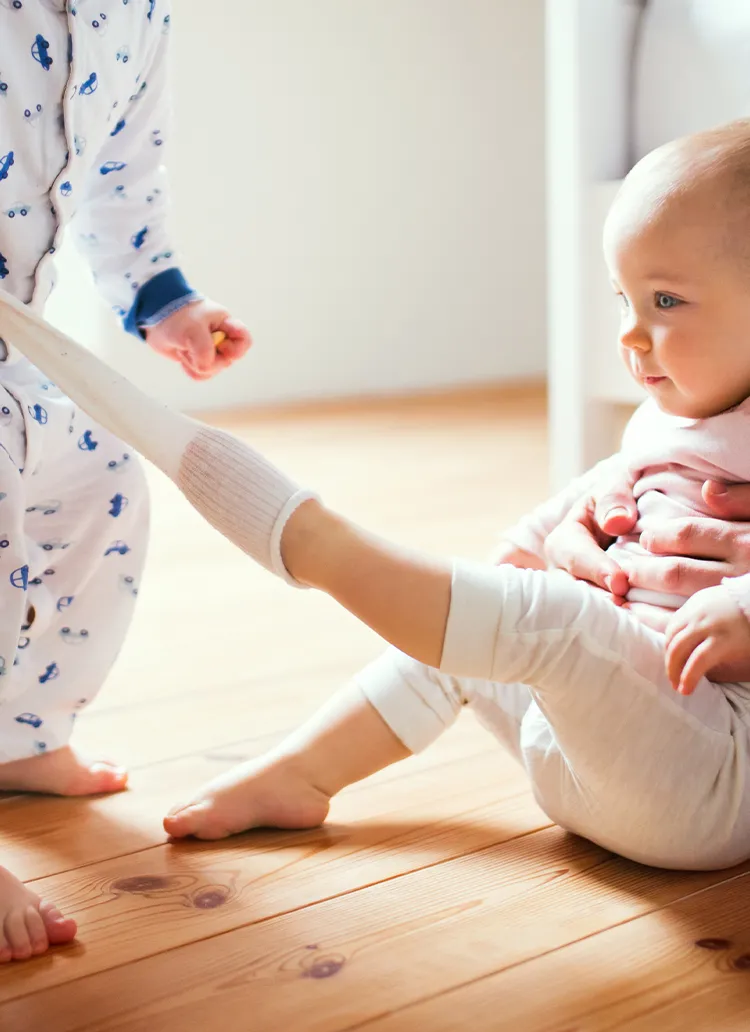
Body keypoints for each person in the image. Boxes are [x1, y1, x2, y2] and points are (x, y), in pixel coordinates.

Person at [146, 119, 750, 882]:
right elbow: (601, 486)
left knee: (552, 621)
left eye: (665, 300)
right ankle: (301, 775)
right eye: (623, 299)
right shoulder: (675, 417)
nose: (631, 334)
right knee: (469, 636)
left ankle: (323, 549)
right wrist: (521, 549)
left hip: (714, 779)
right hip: (600, 750)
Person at [0, 0, 249, 962]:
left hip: (14, 343)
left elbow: (119, 178)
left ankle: (22, 729)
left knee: (100, 478)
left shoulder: (135, 15)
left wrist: (165, 302)